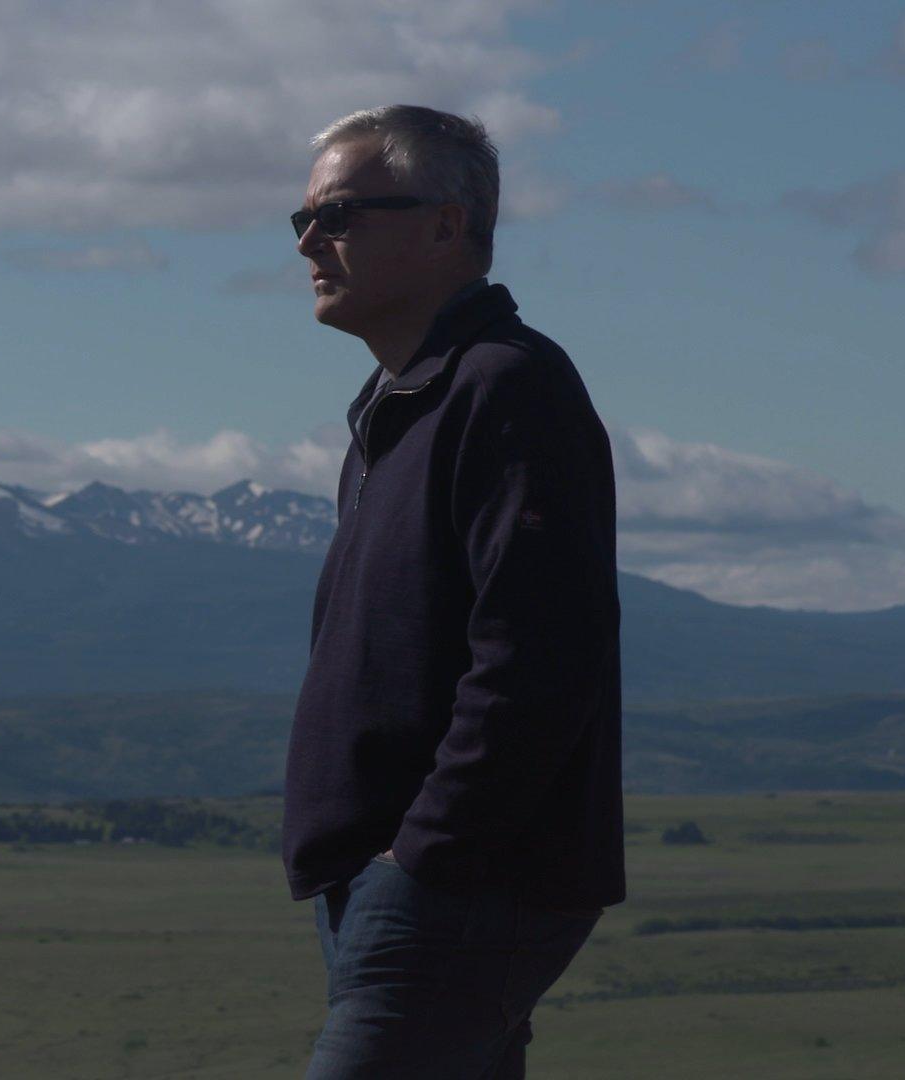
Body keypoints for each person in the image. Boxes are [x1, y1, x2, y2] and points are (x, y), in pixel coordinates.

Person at [279, 104, 625, 1079]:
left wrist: (430, 852)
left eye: (339, 213)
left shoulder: (505, 387)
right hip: (399, 880)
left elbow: (538, 652)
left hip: (458, 882)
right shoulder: (399, 408)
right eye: (302, 219)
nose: (309, 239)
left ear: (446, 224)